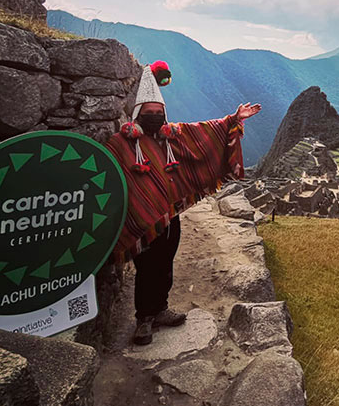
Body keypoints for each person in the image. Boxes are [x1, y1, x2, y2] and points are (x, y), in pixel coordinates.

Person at [105, 60, 261, 345]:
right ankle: (144, 319)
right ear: (138, 115)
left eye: (158, 113)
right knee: (146, 266)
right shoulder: (122, 144)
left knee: (165, 261)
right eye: (149, 113)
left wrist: (233, 120)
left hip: (169, 214)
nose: (154, 117)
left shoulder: (172, 137)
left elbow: (205, 133)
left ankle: (160, 308)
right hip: (143, 218)